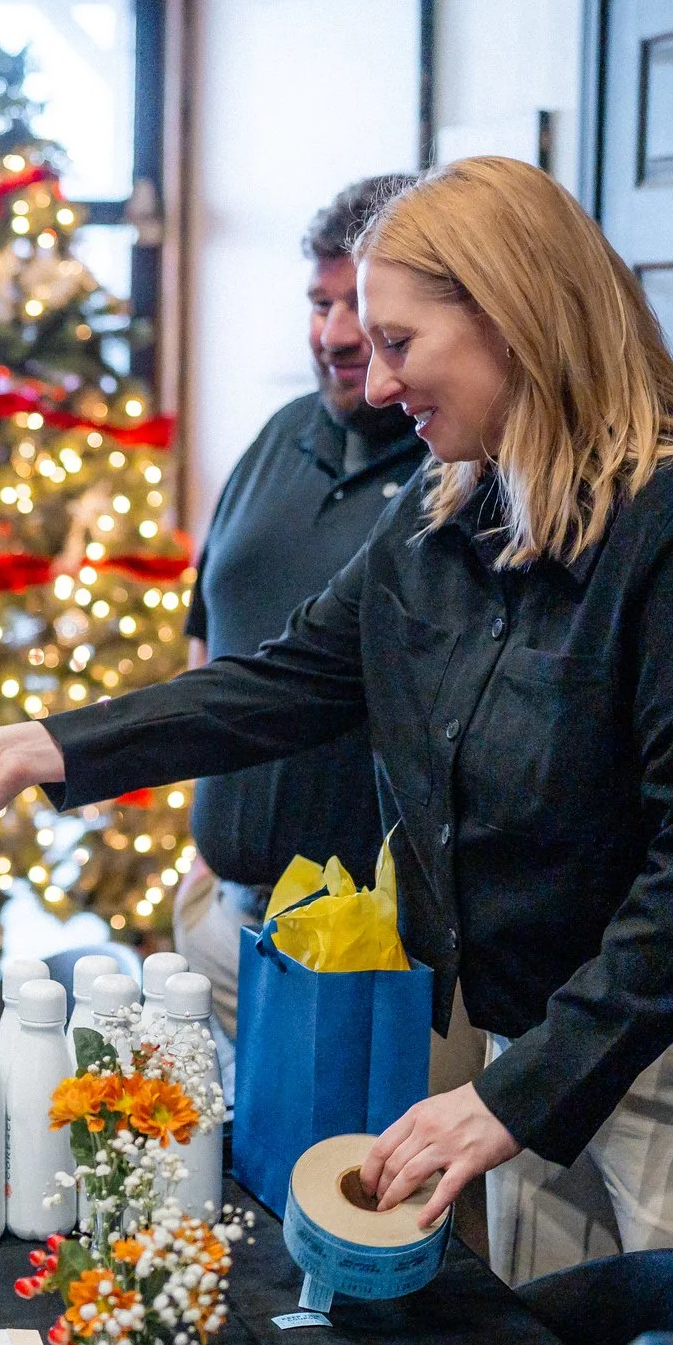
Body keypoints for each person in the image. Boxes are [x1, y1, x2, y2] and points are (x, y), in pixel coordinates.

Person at [0, 156, 673, 1284]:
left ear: (513, 314)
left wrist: (518, 1088)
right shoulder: (445, 505)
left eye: (401, 343)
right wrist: (42, 745)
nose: (375, 386)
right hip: (547, 1033)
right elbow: (285, 679)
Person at [175, 173, 422, 1034]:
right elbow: (209, 628)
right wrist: (202, 855)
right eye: (320, 304)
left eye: (361, 305)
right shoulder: (280, 432)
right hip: (223, 921)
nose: (337, 334)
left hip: (370, 956)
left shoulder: (457, 472)